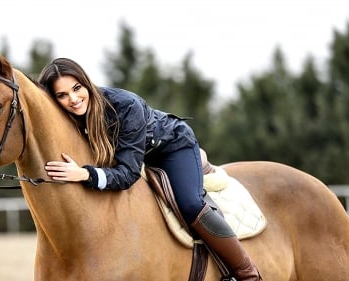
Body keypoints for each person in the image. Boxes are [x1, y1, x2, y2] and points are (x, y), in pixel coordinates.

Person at [38, 58, 261, 281]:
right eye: (62, 95)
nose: (74, 99)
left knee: (190, 203)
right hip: (133, 155)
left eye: (77, 88)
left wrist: (86, 173)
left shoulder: (125, 105)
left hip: (172, 148)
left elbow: (128, 174)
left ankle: (246, 273)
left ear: (86, 83)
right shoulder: (68, 116)